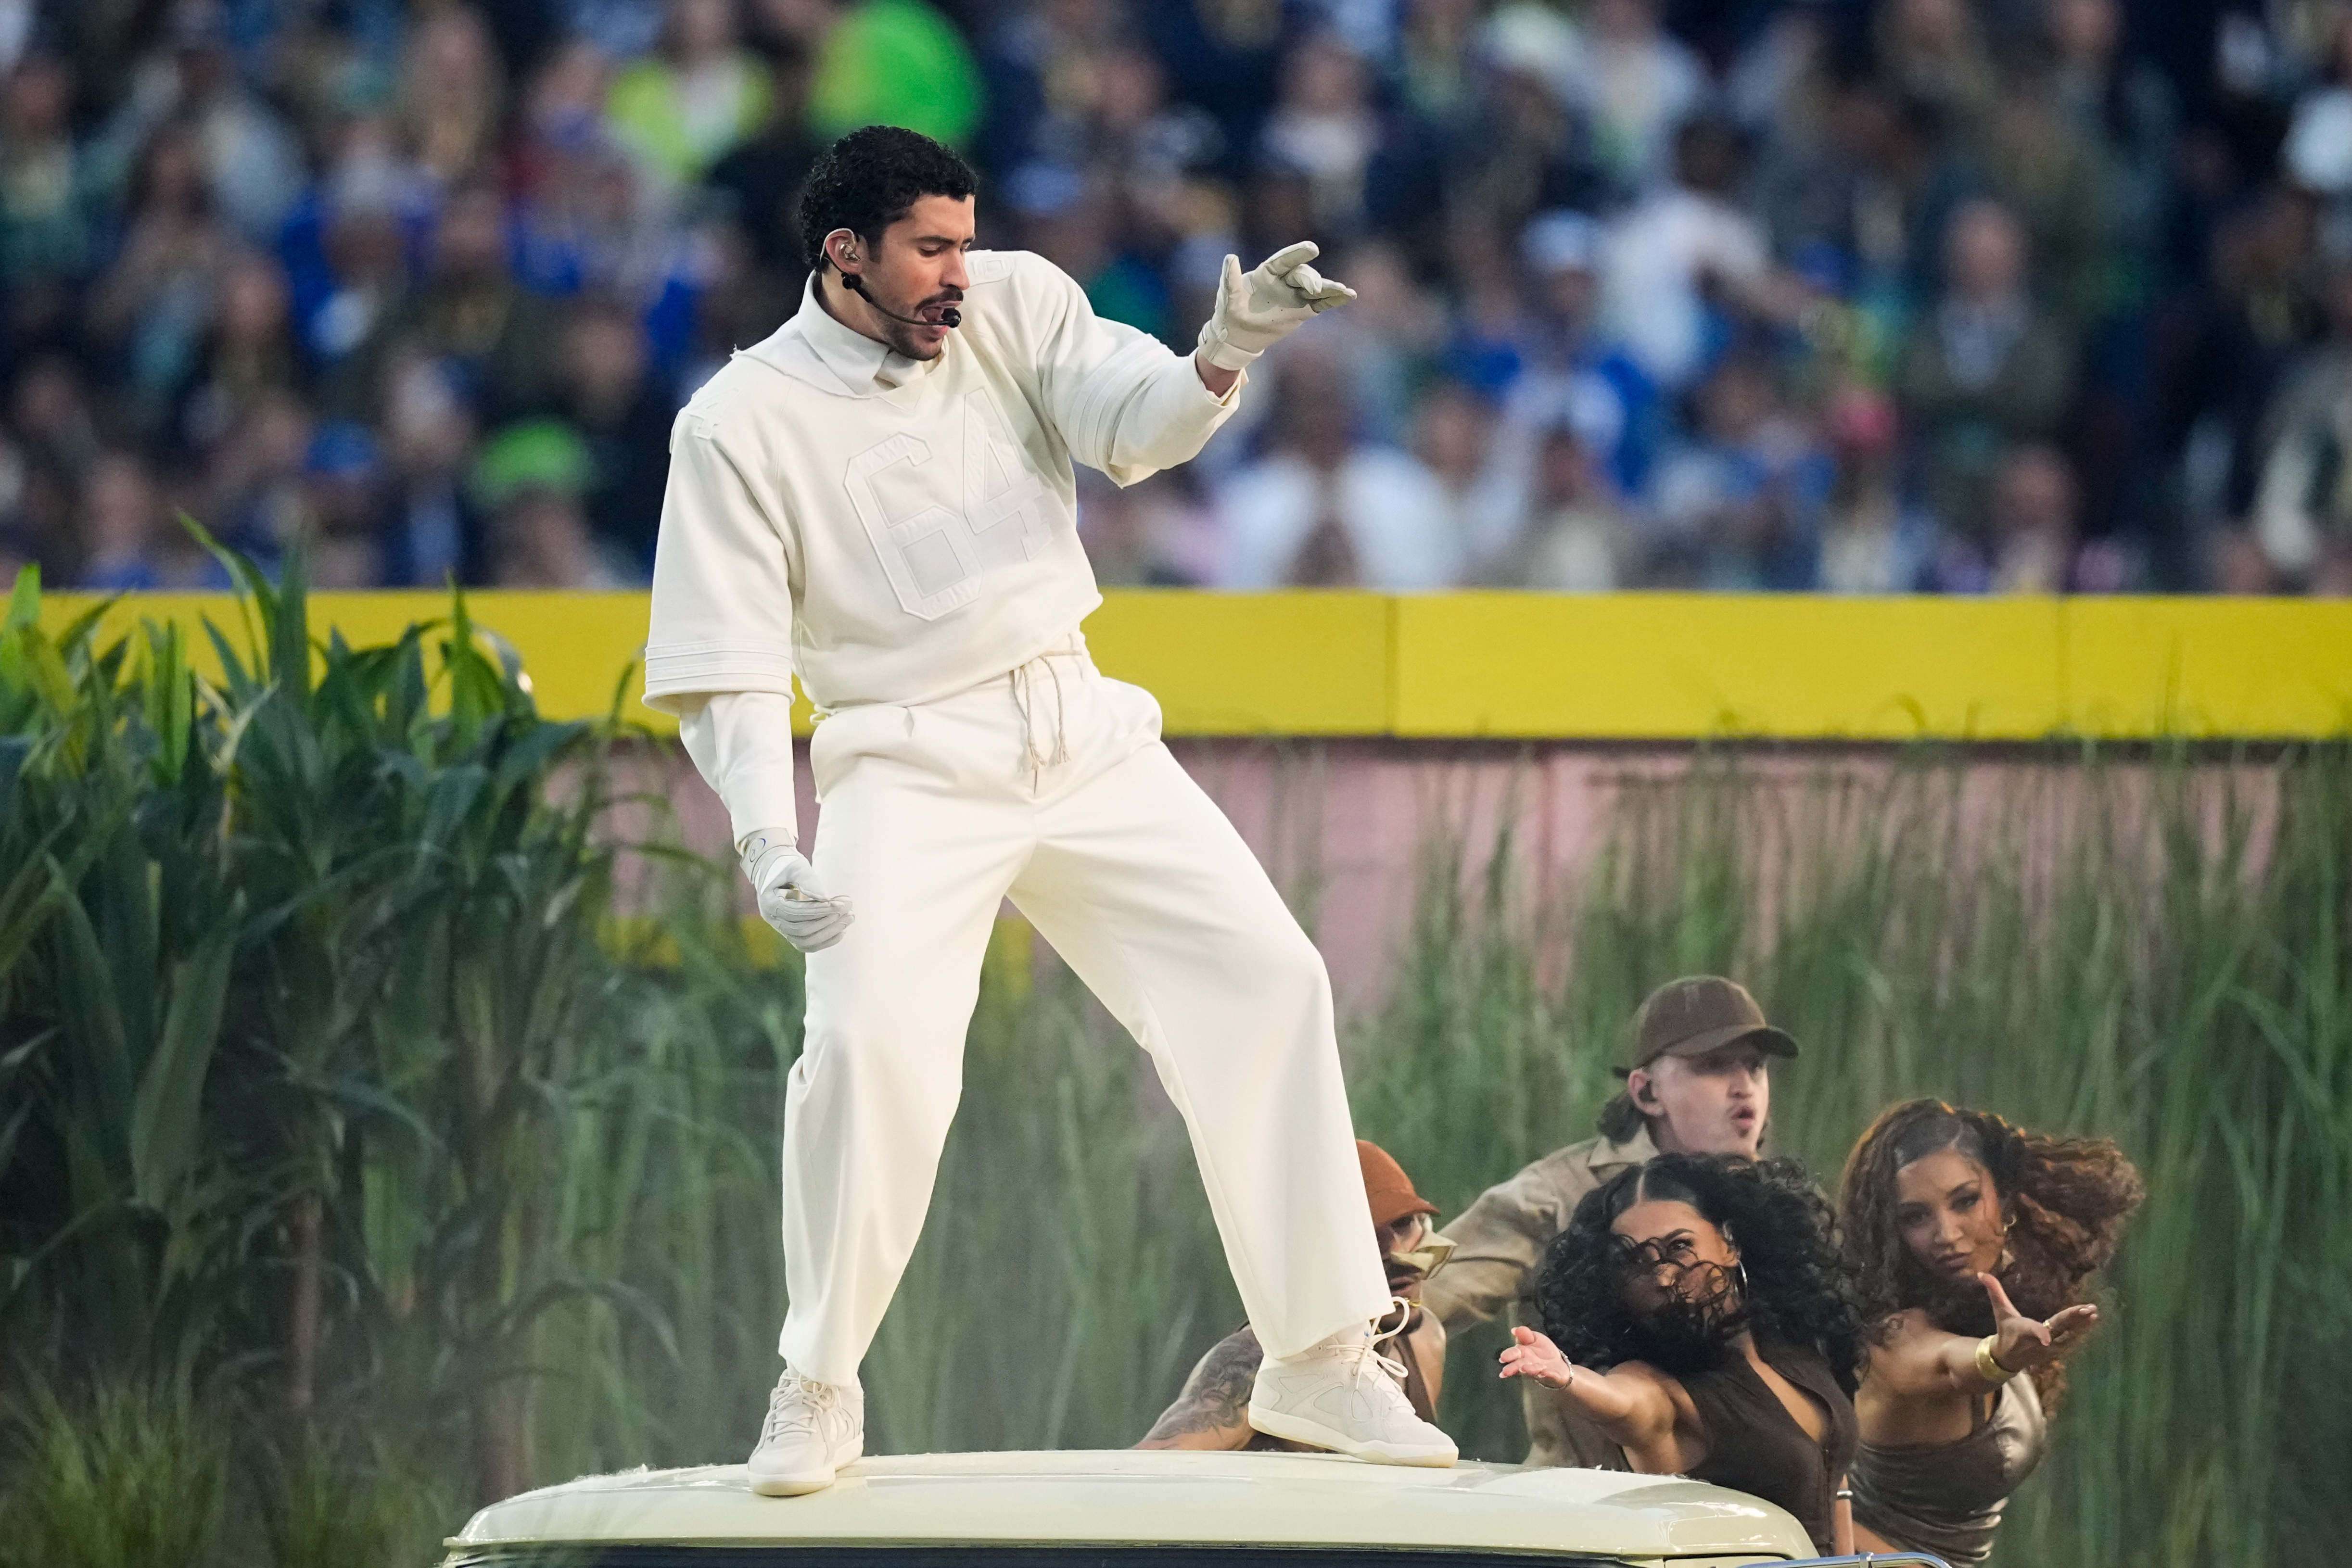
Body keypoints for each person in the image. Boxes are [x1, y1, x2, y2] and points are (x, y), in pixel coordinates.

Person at [644, 125, 1454, 1498]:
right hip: (903, 757)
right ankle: (819, 1380)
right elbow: (724, 664)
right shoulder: (738, 420)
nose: (961, 270)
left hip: (1076, 720)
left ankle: (1319, 1353)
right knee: (867, 1047)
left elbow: (1132, 427)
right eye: (931, 248)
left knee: (1265, 976)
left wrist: (1225, 350)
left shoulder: (1012, 300)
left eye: (966, 237)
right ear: (844, 252)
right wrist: (767, 838)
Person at [1424, 975, 1793, 1467]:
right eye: (1712, 1065)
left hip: (1744, 1513)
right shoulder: (1559, 1196)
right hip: (1589, 1514)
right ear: (1645, 1091)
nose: (1742, 1085)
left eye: (1753, 1065)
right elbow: (1414, 1299)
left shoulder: (1776, 1207)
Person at [1499, 1154, 1865, 1556]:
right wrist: (1567, 1377)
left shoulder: (1792, 1344)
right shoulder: (1659, 1386)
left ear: (1730, 1243)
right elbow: (1623, 1403)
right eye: (1634, 1261)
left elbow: (1835, 1480)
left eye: (1680, 1247)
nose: (1663, 1275)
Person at [1837, 1100, 2143, 1565]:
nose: (1947, 1233)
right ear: (1888, 1233)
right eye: (1915, 1217)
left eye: (1965, 1202)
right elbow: (1948, 1362)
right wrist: (1995, 1356)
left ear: (2003, 1198)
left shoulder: (1993, 1302)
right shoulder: (1894, 1338)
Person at [1137, 1140, 1454, 1450]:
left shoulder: (1424, 1338)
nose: (1398, 1254)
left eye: (1403, 1223)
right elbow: (1144, 1474)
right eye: (1365, 1236)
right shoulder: (1262, 1360)